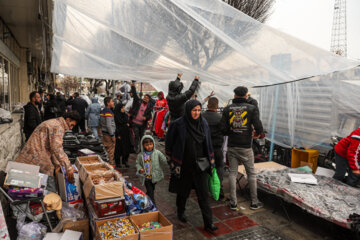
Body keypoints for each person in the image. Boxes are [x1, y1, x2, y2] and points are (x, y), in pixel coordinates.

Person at [165, 100, 218, 233]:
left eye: (199, 110)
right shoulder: (178, 124)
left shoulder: (203, 123)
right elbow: (169, 142)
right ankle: (181, 211)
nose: (196, 113)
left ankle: (208, 223)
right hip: (184, 166)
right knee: (183, 192)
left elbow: (208, 142)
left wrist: (211, 160)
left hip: (200, 166)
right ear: (188, 110)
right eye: (194, 110)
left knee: (203, 195)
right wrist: (172, 160)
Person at [221, 86, 264, 211]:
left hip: (232, 146)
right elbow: (259, 127)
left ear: (234, 96)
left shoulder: (227, 109)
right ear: (246, 96)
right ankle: (254, 202)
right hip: (246, 147)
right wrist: (255, 133)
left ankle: (233, 203)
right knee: (251, 173)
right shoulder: (251, 108)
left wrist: (233, 131)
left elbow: (223, 129)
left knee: (232, 173)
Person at [16, 111, 80, 192]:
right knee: (48, 186)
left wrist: (59, 164)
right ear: (67, 119)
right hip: (37, 156)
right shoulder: (58, 126)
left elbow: (52, 146)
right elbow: (57, 148)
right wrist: (68, 167)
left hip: (34, 155)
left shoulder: (55, 122)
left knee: (35, 184)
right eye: (72, 125)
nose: (71, 128)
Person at [202, 97, 225, 200]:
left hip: (204, 149)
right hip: (217, 148)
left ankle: (204, 190)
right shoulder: (221, 118)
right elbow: (225, 132)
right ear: (217, 106)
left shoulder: (201, 117)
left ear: (207, 105)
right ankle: (219, 191)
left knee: (204, 169)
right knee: (219, 168)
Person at [136, 135, 168, 205]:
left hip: (154, 177)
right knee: (151, 192)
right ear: (143, 145)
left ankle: (146, 196)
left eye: (151, 144)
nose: (149, 146)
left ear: (153, 143)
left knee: (151, 189)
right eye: (147, 145)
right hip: (146, 177)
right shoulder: (141, 155)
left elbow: (164, 160)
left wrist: (169, 161)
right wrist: (140, 169)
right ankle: (153, 204)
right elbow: (138, 163)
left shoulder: (157, 153)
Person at [129, 82, 155, 152]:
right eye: (144, 97)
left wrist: (146, 118)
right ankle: (136, 148)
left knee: (142, 137)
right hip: (135, 123)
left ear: (149, 100)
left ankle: (141, 148)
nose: (145, 98)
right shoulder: (138, 102)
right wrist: (133, 87)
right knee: (136, 136)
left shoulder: (149, 107)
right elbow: (134, 95)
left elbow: (149, 116)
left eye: (147, 98)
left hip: (142, 124)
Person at [114, 103, 131, 168]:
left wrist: (126, 124)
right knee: (118, 149)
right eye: (122, 108)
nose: (123, 109)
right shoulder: (116, 116)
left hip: (126, 134)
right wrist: (118, 134)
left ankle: (125, 161)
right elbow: (117, 126)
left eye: (124, 107)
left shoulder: (125, 115)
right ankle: (118, 162)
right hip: (119, 134)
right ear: (119, 109)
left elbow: (127, 123)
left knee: (126, 148)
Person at [100, 97, 116, 164]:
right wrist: (112, 135)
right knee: (110, 150)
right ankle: (110, 164)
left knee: (106, 149)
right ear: (108, 103)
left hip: (104, 132)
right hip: (108, 134)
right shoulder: (108, 112)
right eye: (112, 101)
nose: (113, 103)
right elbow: (109, 125)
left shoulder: (103, 110)